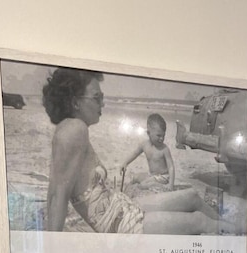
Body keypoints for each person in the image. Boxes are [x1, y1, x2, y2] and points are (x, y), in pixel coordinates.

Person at [42, 68, 229, 235]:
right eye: (97, 98)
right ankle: (235, 237)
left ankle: (230, 229)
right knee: (199, 221)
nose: (103, 104)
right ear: (76, 102)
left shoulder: (70, 129)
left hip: (122, 207)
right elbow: (57, 195)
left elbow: (56, 190)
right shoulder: (74, 130)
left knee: (192, 197)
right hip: (122, 225)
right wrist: (50, 252)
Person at [120, 113, 175, 190]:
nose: (161, 138)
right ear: (148, 133)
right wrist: (125, 163)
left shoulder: (164, 149)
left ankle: (162, 187)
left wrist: (171, 184)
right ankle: (151, 184)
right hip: (152, 175)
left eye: (163, 136)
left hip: (163, 177)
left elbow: (171, 167)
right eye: (158, 135)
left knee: (144, 184)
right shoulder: (145, 145)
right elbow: (135, 154)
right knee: (135, 177)